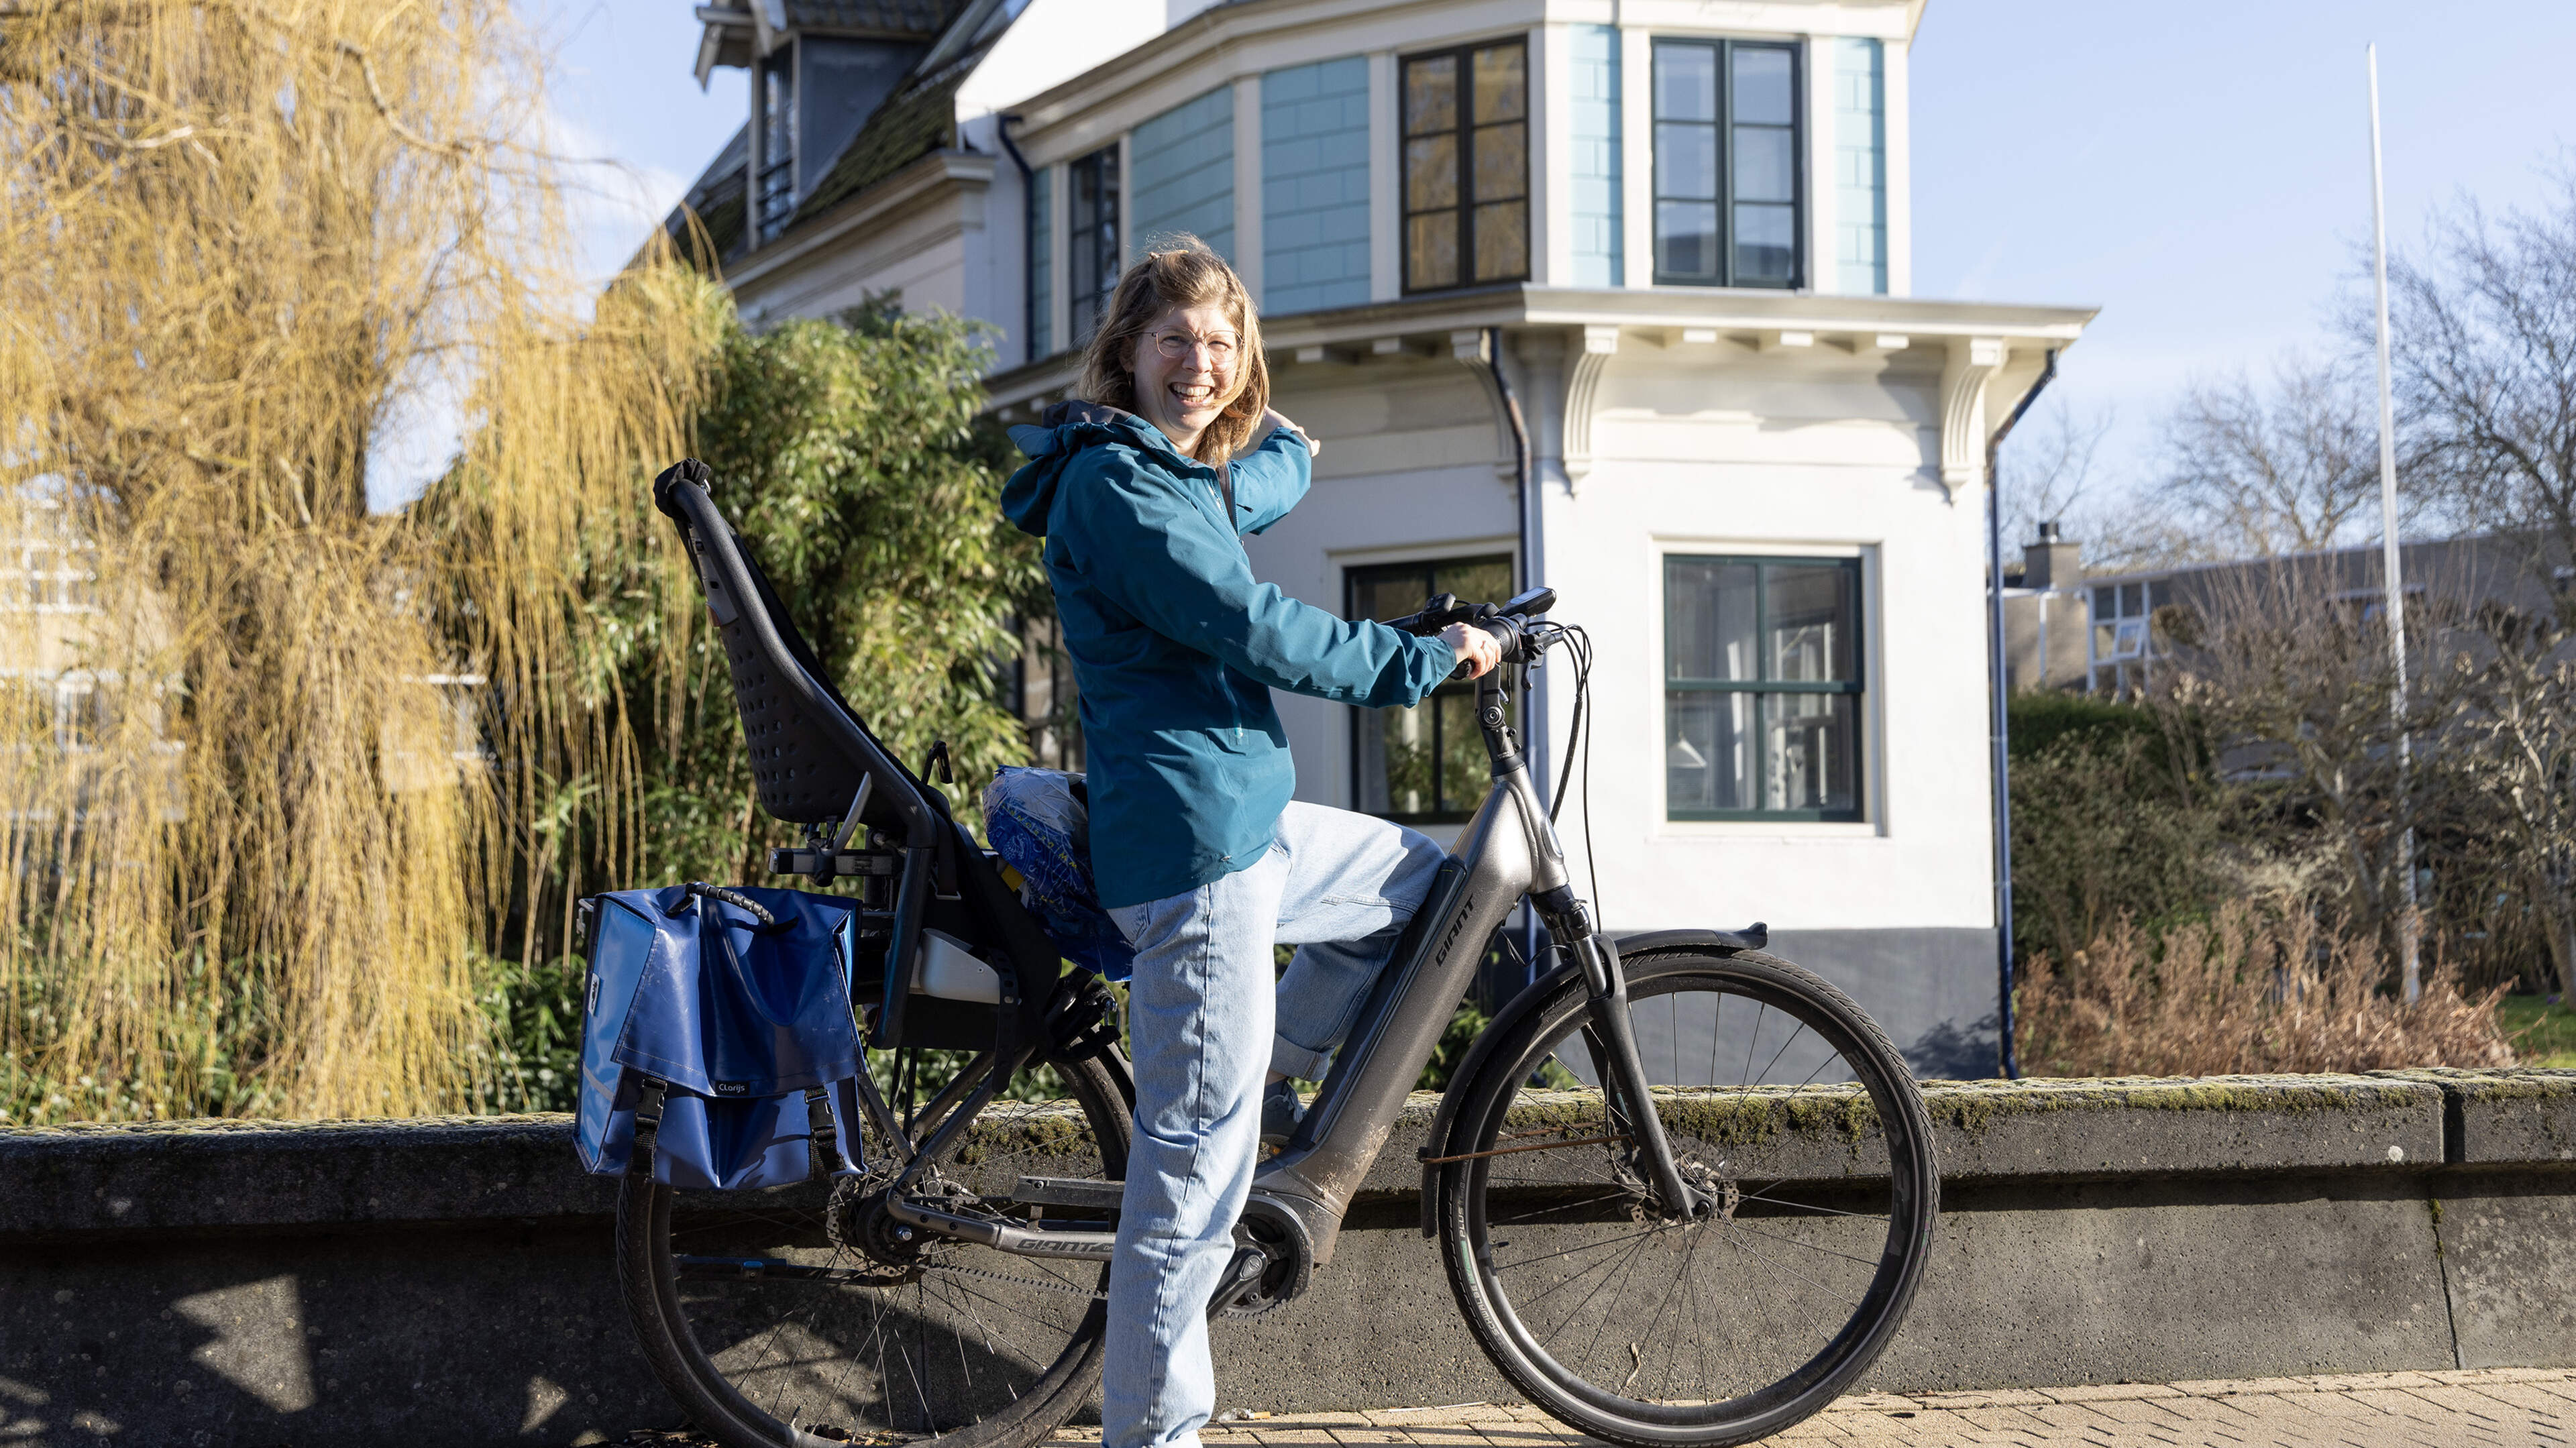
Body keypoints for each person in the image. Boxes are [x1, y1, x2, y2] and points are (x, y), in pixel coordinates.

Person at [1000, 238, 1501, 1448]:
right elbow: (1246, 618)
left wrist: (1285, 450)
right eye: (1175, 341)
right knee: (1188, 1188)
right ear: (1124, 352)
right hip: (1195, 853)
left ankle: (1270, 1074)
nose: (1201, 365)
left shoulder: (1167, 476)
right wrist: (1417, 660)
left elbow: (1240, 493)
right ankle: (1155, 1438)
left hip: (1244, 820)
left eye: (1222, 346)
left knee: (1420, 890)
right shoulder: (1119, 492)